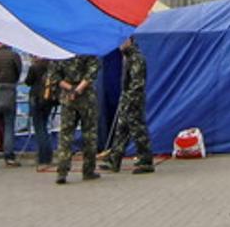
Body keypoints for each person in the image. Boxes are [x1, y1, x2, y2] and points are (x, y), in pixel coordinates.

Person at [101, 38, 154, 174]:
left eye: (122, 42)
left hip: (134, 100)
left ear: (129, 41)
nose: (119, 46)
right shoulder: (127, 57)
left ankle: (146, 161)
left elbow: (137, 84)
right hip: (126, 99)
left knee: (138, 130)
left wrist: (128, 100)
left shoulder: (136, 58)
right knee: (121, 129)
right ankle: (114, 159)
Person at [52, 54, 102, 184]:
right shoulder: (87, 49)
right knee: (89, 135)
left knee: (65, 136)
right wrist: (78, 89)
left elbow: (55, 76)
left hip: (67, 98)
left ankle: (62, 172)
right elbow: (92, 71)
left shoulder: (61, 52)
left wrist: (71, 89)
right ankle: (88, 171)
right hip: (86, 98)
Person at [23, 56, 55, 171]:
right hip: (48, 99)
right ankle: (49, 155)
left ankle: (43, 158)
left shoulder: (34, 67)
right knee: (45, 127)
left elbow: (28, 82)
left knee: (39, 129)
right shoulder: (51, 67)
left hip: (36, 98)